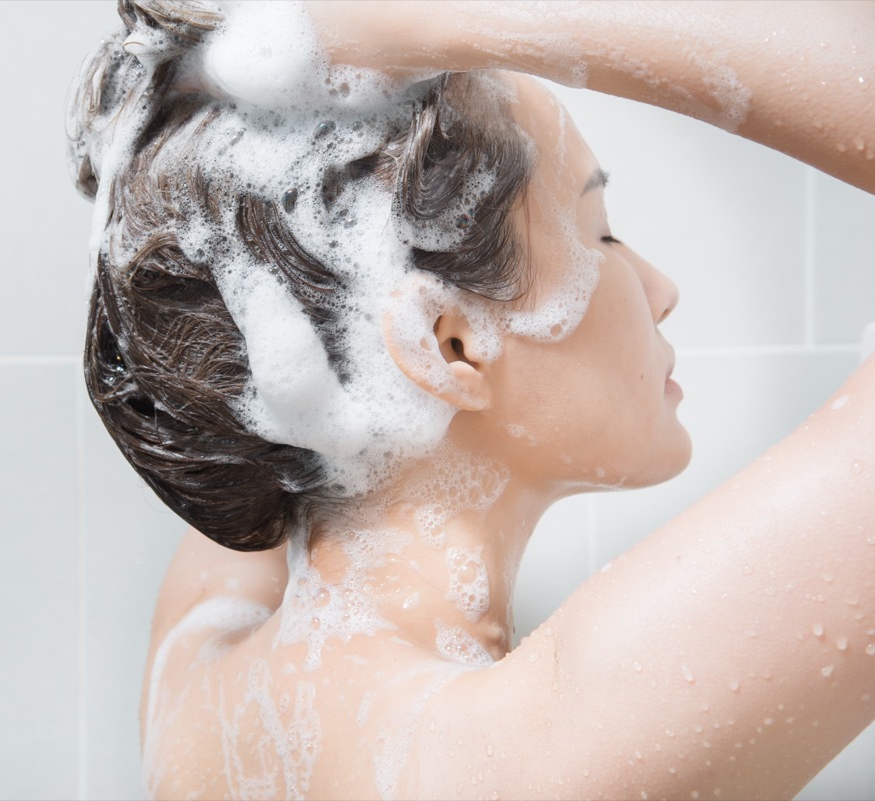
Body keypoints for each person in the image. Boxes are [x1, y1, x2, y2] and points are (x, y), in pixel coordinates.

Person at [69, 1, 875, 798]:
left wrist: (305, 50)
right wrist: (417, 22)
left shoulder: (194, 681)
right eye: (600, 231)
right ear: (448, 345)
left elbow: (235, 342)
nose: (661, 290)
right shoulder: (557, 749)